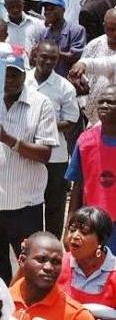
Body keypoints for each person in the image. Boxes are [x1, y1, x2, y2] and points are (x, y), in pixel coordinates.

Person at [0, 42, 59, 285]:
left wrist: (8, 139)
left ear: (24, 74)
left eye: (15, 74)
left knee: (31, 272)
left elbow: (45, 154)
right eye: (5, 73)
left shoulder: (41, 104)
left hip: (25, 207)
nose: (10, 79)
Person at [26, 40, 79, 239]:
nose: (48, 62)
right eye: (44, 57)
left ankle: (53, 245)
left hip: (55, 158)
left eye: (53, 59)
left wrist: (42, 125)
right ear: (35, 55)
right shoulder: (22, 80)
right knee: (29, 203)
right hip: (27, 154)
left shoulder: (64, 86)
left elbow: (71, 121)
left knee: (54, 207)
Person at [66, 85, 116, 253]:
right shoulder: (85, 141)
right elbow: (77, 187)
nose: (104, 105)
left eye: (110, 102)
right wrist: (70, 225)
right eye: (101, 101)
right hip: (94, 224)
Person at [10, 232, 95, 320]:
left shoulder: (76, 316)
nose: (49, 267)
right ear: (23, 260)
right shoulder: (0, 299)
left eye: (56, 262)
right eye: (41, 259)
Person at [58, 207, 116, 311]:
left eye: (84, 232)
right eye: (72, 230)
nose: (75, 236)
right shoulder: (59, 263)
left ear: (101, 240)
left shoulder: (114, 273)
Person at [71, 9, 116, 126]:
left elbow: (106, 64)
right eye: (111, 29)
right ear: (104, 26)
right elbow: (81, 78)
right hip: (91, 118)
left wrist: (86, 63)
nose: (114, 33)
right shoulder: (94, 45)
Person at [29, 0, 86, 78]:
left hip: (67, 82)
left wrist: (53, 53)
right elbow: (35, 62)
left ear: (63, 10)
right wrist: (34, 55)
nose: (47, 12)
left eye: (52, 8)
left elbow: (76, 57)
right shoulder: (43, 33)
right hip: (46, 81)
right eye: (46, 9)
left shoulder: (76, 30)